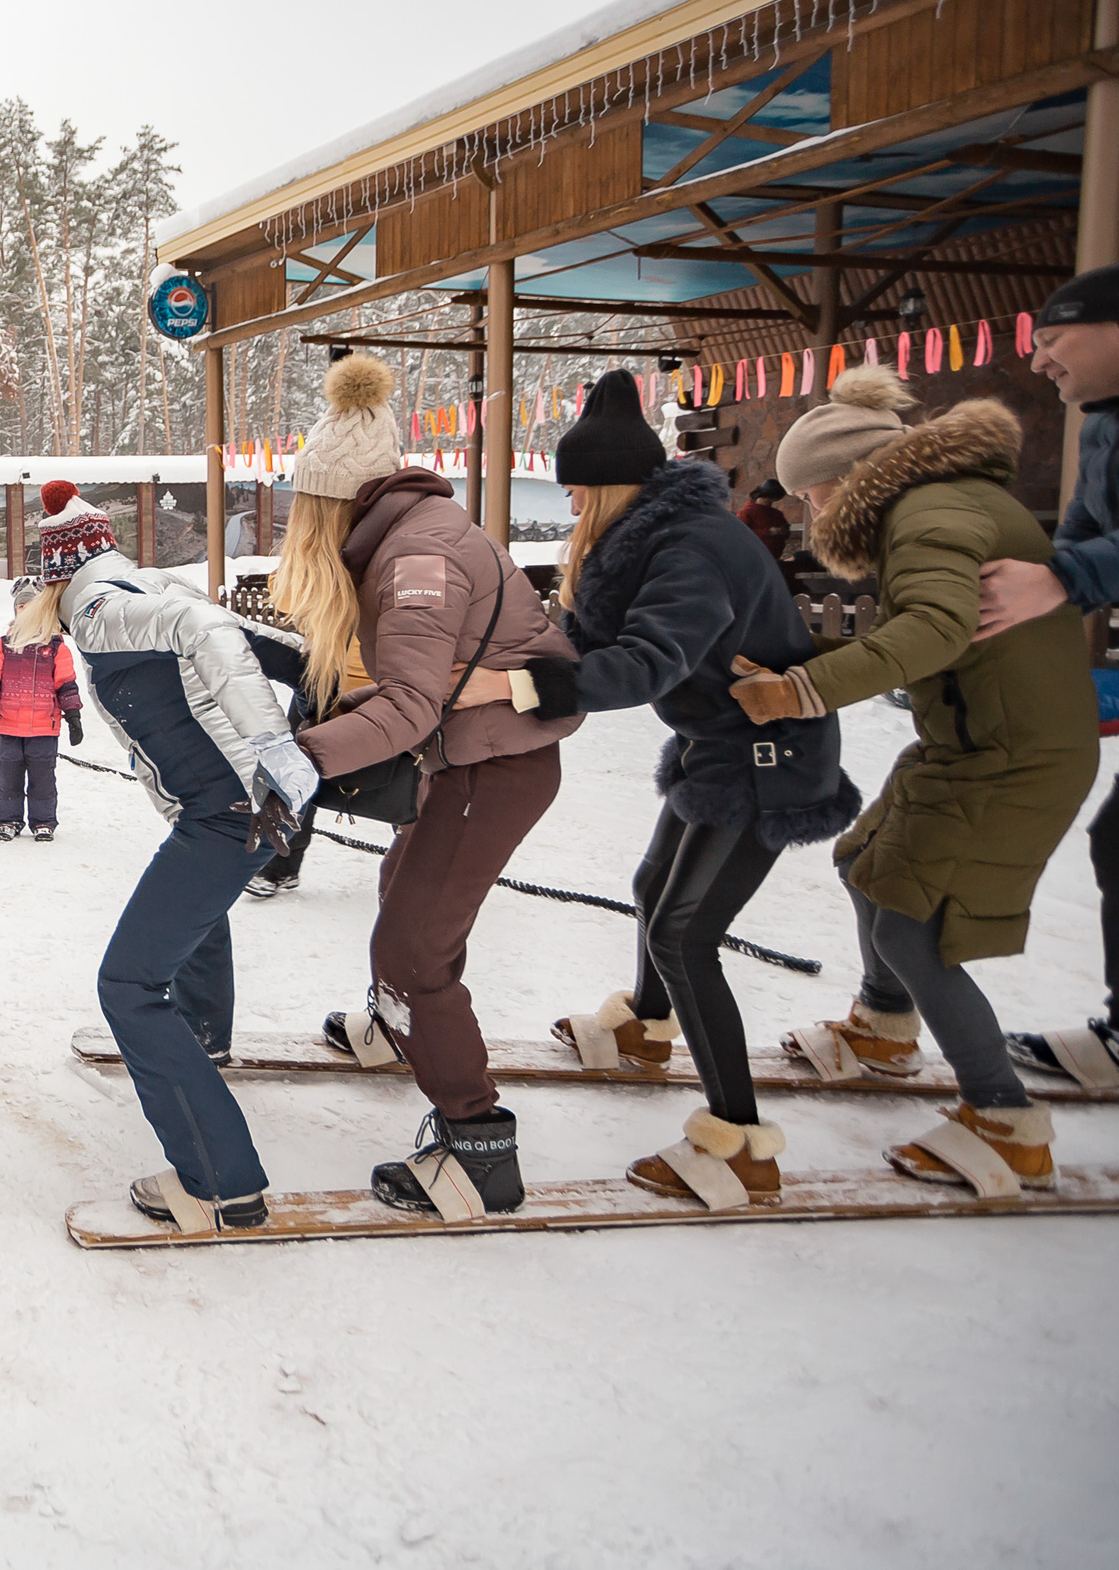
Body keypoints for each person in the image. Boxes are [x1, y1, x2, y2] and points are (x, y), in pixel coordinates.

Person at [468, 371, 857, 1206]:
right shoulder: (648, 535)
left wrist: (520, 689)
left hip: (768, 755)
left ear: (613, 487)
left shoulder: (689, 547)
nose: (571, 511)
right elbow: (584, 636)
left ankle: (741, 1145)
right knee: (654, 888)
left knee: (685, 933)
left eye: (577, 493)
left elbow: (650, 659)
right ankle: (646, 1028)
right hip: (719, 747)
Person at [730, 366, 1098, 1191]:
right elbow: (920, 629)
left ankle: (1005, 1124)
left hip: (1010, 753)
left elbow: (934, 628)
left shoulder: (929, 513)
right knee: (866, 860)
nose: (814, 513)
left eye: (814, 495)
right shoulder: (934, 503)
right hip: (976, 734)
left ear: (847, 477)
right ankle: (885, 1027)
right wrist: (801, 659)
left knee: (911, 927)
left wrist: (799, 691)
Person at [274, 355, 581, 1218]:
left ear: (333, 501)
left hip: (496, 764)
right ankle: (397, 1026)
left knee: (413, 947)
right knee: (399, 892)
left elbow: (411, 704)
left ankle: (477, 1143)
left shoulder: (417, 558)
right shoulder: (416, 535)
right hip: (472, 755)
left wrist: (297, 758)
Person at [21, 482, 316, 1230]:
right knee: (191, 914)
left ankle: (219, 1181)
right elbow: (228, 629)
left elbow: (201, 629)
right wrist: (315, 677)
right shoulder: (140, 578)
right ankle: (204, 1034)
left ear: (58, 567)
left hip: (231, 815)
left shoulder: (94, 606)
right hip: (233, 809)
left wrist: (276, 749)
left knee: (126, 984)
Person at [974, 266, 1119, 1085]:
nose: (1040, 364)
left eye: (1054, 340)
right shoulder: (1101, 423)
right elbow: (1079, 538)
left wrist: (1063, 580)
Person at [0, 574, 83, 841]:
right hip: (9, 725)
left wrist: (73, 716)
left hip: (44, 727)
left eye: (30, 606)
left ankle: (43, 821)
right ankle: (8, 820)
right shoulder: (4, 645)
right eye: (21, 607)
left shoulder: (56, 647)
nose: (25, 611)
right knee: (8, 776)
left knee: (43, 778)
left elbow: (66, 683)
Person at [737, 478, 791, 560]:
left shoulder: (777, 514)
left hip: (774, 558)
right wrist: (768, 532)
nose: (770, 502)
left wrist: (784, 531)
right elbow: (740, 535)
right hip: (753, 559)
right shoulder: (746, 513)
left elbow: (786, 535)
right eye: (769, 499)